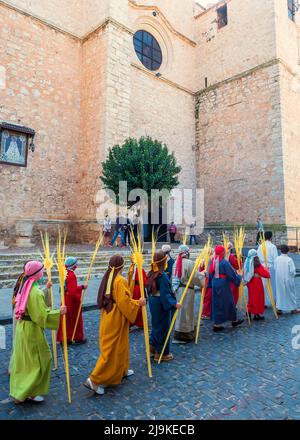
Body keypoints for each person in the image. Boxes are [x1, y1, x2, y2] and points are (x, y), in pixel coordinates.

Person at [85, 255, 146, 395]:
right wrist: (138, 303)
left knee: (121, 344)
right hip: (116, 317)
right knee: (111, 348)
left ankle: (121, 370)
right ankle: (94, 380)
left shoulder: (109, 277)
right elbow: (124, 302)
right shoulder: (119, 280)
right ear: (121, 267)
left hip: (109, 316)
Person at [10, 261, 67, 404]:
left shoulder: (27, 285)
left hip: (23, 327)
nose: (43, 273)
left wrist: (45, 290)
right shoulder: (34, 291)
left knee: (25, 361)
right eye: (41, 271)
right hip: (31, 330)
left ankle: (20, 393)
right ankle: (30, 393)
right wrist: (58, 312)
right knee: (41, 360)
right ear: (37, 274)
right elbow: (41, 316)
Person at [9, 262, 52, 373]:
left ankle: (16, 366)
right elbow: (30, 298)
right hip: (23, 317)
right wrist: (46, 289)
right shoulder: (25, 280)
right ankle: (20, 368)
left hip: (18, 312)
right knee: (23, 344)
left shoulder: (24, 277)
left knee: (18, 341)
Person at [147, 251, 181, 362]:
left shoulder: (151, 273)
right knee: (163, 327)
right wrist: (174, 303)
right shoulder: (162, 276)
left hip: (153, 302)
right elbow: (165, 293)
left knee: (156, 325)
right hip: (161, 303)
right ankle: (161, 353)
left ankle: (152, 346)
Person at [172, 245, 206, 343]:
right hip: (186, 291)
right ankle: (183, 335)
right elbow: (195, 277)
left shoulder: (175, 263)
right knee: (185, 313)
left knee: (181, 312)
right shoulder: (189, 263)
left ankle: (183, 333)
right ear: (187, 253)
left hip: (178, 290)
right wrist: (203, 274)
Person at [211, 245, 244, 332]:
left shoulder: (213, 260)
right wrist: (239, 277)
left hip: (215, 282)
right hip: (223, 284)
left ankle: (217, 324)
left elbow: (210, 273)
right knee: (229, 302)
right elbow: (231, 274)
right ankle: (234, 320)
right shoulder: (224, 262)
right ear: (222, 252)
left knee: (217, 302)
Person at [57, 257, 87, 345]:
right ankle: (75, 337)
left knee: (66, 319)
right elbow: (73, 291)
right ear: (73, 265)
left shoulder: (65, 273)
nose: (76, 265)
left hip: (65, 299)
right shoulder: (71, 275)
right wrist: (81, 288)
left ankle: (65, 337)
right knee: (73, 318)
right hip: (71, 301)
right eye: (76, 264)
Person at [244, 249, 270, 320]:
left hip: (250, 282)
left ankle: (248, 311)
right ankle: (256, 314)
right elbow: (265, 274)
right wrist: (267, 271)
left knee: (251, 297)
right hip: (256, 282)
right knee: (257, 298)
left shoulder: (247, 262)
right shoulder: (257, 264)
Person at [275, 245, 299, 315]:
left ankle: (279, 308)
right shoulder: (289, 260)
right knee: (290, 293)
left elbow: (275, 267)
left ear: (280, 251)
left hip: (279, 279)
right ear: (288, 251)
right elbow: (292, 271)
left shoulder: (277, 259)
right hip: (288, 279)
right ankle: (293, 308)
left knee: (280, 293)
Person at [257, 231, 278, 307]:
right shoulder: (272, 246)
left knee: (263, 285)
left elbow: (258, 258)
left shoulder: (260, 246)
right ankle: (272, 300)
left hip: (262, 267)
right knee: (272, 285)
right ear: (271, 237)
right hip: (270, 267)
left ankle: (264, 302)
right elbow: (275, 259)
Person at [128, 255, 147, 329]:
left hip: (133, 288)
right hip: (138, 289)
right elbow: (143, 281)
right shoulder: (139, 269)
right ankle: (136, 322)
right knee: (139, 305)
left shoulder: (132, 267)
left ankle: (139, 322)